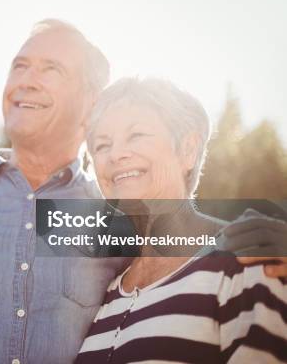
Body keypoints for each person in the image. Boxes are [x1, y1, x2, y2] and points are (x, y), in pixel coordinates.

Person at [0, 20, 287, 364]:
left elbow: (184, 249)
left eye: (50, 68)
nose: (26, 80)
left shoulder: (112, 217)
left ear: (91, 101)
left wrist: (274, 240)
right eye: (20, 65)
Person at [76, 77, 287, 363]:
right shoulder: (108, 292)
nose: (116, 154)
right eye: (102, 145)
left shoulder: (244, 263)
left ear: (187, 149)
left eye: (136, 135)